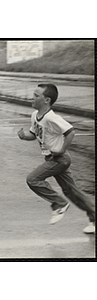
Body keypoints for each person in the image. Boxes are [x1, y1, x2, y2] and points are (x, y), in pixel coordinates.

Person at [17, 83, 95, 234]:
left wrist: (61, 149)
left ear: (46, 100)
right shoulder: (35, 115)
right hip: (52, 159)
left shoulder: (52, 117)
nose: (31, 98)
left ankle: (59, 204)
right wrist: (24, 136)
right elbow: (34, 134)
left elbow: (70, 131)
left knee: (33, 179)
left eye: (36, 96)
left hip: (59, 159)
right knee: (72, 191)